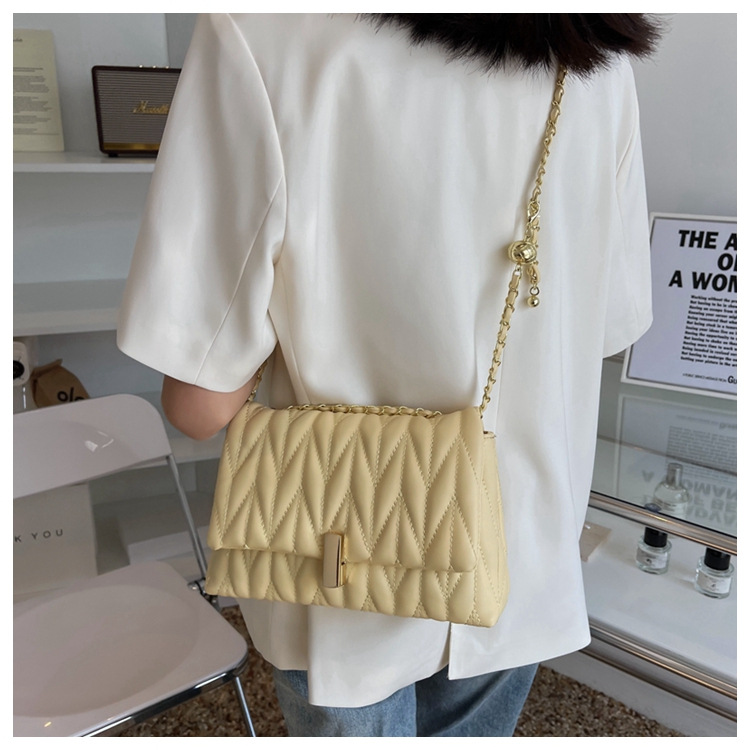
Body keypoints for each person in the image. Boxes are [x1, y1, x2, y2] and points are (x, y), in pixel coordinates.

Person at [117, 13, 661, 737]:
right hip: (520, 538)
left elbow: (198, 405)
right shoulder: (594, 52)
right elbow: (610, 324)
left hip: (338, 552)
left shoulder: (260, 32)